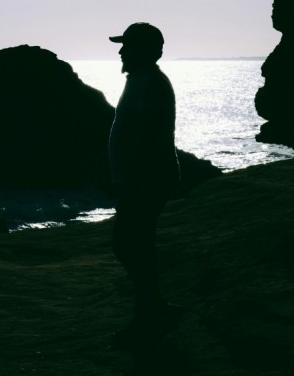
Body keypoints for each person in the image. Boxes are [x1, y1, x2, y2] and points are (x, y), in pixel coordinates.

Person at [108, 22, 182, 350]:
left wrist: (130, 181)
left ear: (145, 51)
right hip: (144, 178)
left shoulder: (148, 83)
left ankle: (150, 313)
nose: (121, 51)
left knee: (130, 244)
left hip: (146, 179)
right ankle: (152, 309)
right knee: (135, 244)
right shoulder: (141, 80)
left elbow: (147, 136)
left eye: (127, 46)